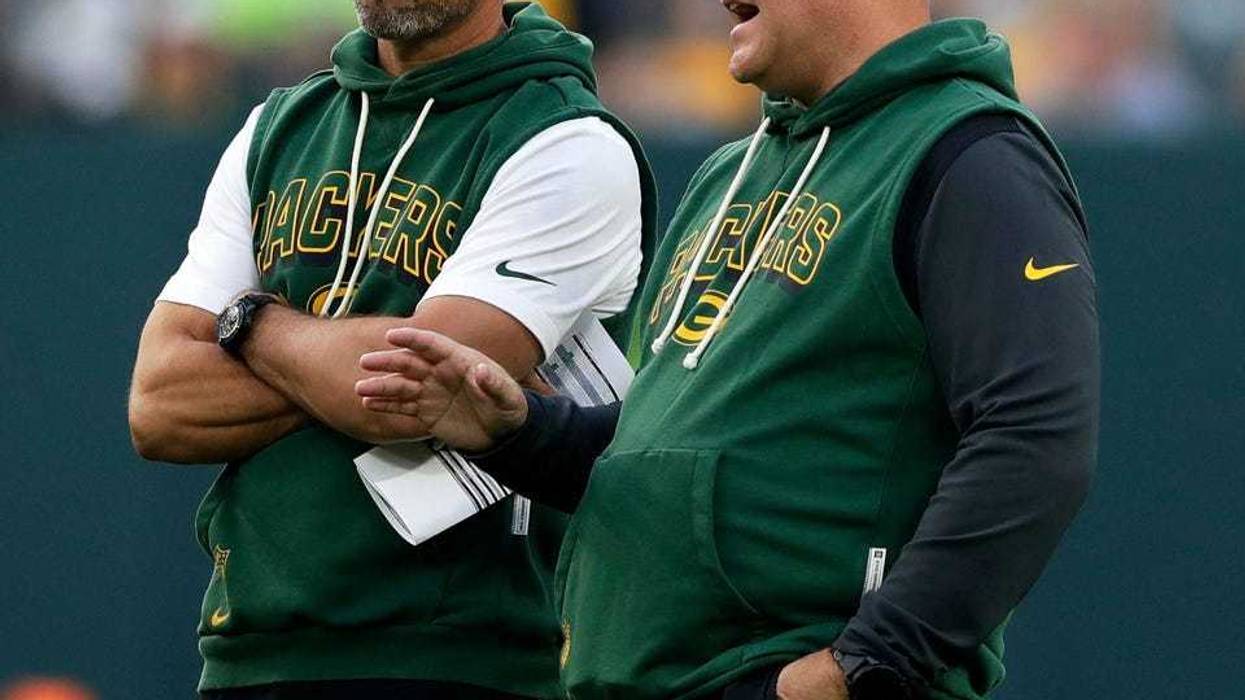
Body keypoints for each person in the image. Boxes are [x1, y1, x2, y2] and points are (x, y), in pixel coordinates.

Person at [354, 1, 1099, 699]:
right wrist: (516, 433)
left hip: (786, 668)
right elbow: (664, 451)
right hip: (644, 674)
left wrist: (868, 662)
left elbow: (1035, 435)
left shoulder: (972, 154)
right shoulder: (728, 173)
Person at [127, 1, 656, 698]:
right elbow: (159, 403)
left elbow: (411, 396)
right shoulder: (278, 128)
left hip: (465, 655)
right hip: (249, 646)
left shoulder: (567, 141)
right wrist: (341, 360)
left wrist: (250, 324)